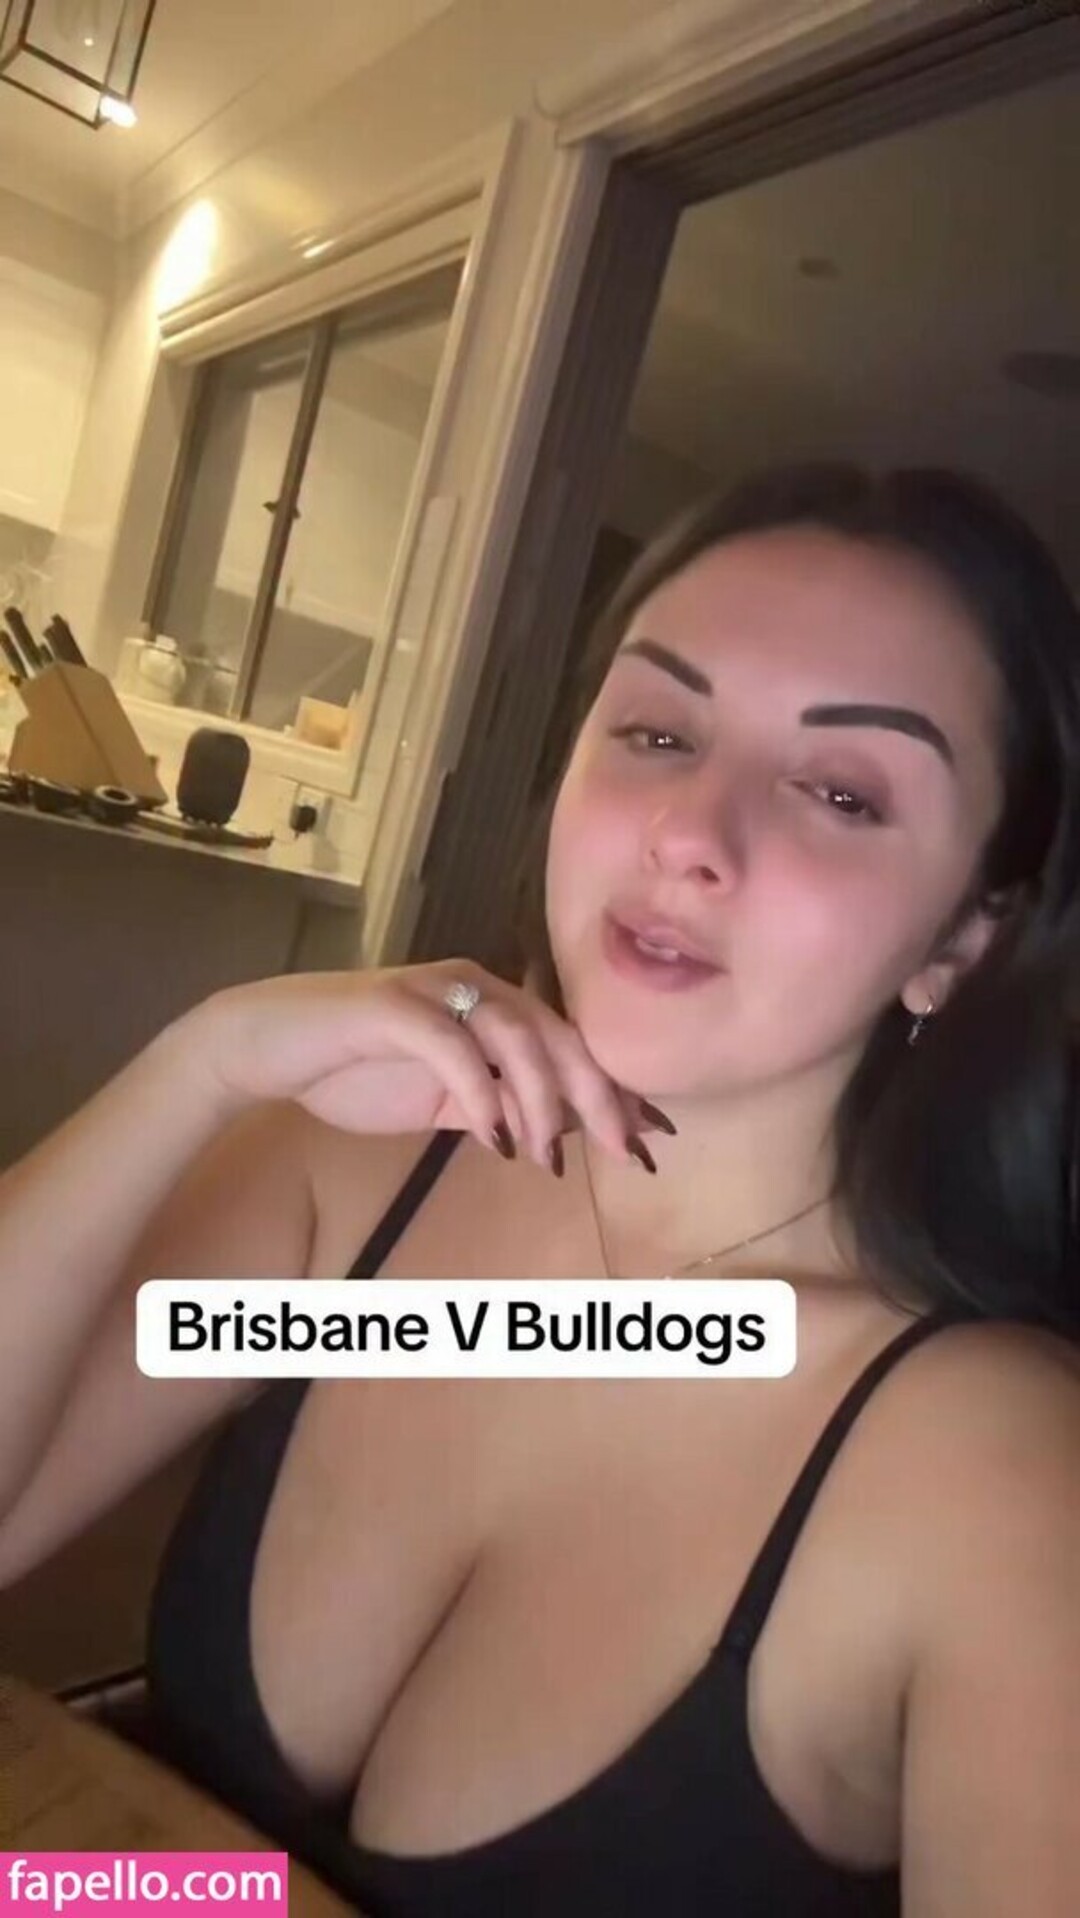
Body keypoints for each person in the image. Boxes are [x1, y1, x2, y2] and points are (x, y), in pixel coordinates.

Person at [1, 461, 1079, 1916]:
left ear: (963, 939)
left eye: (840, 792)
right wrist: (199, 1066)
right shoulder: (355, 1181)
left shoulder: (996, 1475)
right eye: (658, 731)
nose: (688, 832)